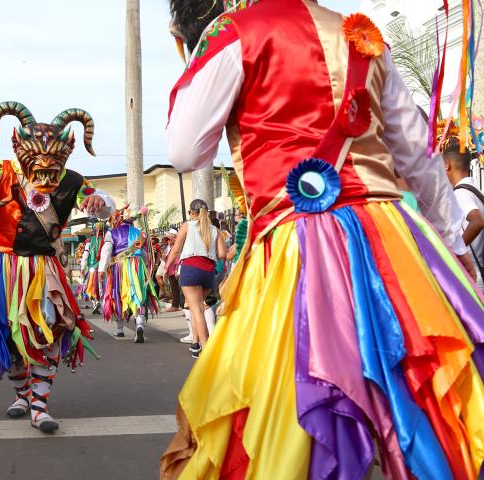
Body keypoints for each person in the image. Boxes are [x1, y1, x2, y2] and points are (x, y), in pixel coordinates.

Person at [161, 1, 484, 479]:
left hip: (295, 249)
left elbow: (184, 148)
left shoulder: (234, 30)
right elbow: (417, 156)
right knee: (414, 406)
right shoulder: (361, 34)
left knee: (296, 414)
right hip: (391, 241)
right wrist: (454, 247)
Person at [0, 102, 114, 433]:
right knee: (8, 334)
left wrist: (99, 202)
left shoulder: (73, 182)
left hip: (43, 271)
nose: (45, 162)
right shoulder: (3, 171)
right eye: (37, 154)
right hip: (2, 268)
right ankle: (23, 395)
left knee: (47, 331)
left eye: (53, 155)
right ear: (19, 147)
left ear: (66, 151)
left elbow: (103, 204)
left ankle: (39, 406)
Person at [165, 199, 227, 358]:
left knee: (197, 309)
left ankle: (204, 348)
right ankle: (194, 343)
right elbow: (222, 254)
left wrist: (167, 268)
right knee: (196, 307)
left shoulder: (187, 225)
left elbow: (176, 250)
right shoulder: (215, 230)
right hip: (208, 272)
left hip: (191, 268)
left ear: (192, 213)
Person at [98, 207, 159, 342]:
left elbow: (106, 251)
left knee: (118, 294)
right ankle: (139, 324)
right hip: (137, 265)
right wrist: (147, 266)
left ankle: (120, 329)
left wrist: (101, 270)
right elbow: (146, 254)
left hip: (118, 267)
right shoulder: (139, 233)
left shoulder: (111, 233)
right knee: (137, 293)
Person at [444, 142, 484, 291]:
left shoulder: (460, 193)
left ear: (447, 165)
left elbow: (478, 221)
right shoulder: (475, 189)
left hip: (473, 270)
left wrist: (454, 250)